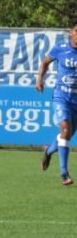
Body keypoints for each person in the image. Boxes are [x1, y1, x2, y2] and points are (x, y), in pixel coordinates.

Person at [36, 20, 77, 186]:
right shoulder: (60, 49)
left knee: (65, 136)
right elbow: (45, 62)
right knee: (65, 129)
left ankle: (48, 150)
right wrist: (40, 79)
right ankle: (64, 173)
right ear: (71, 33)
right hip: (62, 97)